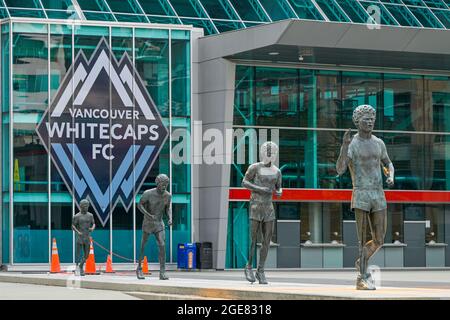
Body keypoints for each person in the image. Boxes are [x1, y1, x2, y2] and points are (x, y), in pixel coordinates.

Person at [336, 105, 394, 290]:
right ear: (357, 122)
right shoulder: (352, 144)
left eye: (372, 119)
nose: (369, 122)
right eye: (365, 119)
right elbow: (340, 169)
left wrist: (390, 175)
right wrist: (344, 147)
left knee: (379, 239)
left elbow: (388, 163)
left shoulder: (379, 143)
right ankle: (361, 277)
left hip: (378, 194)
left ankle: (361, 262)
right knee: (362, 239)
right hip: (361, 192)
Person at [242, 141, 282, 284]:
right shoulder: (254, 167)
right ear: (264, 153)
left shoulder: (277, 171)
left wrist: (279, 192)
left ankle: (261, 270)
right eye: (270, 152)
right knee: (253, 239)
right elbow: (244, 182)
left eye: (275, 153)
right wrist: (260, 189)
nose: (272, 156)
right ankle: (249, 266)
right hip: (255, 206)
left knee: (266, 240)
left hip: (268, 207)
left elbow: (279, 188)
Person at [136, 174, 172, 280]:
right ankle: (139, 268)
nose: (164, 186)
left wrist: (170, 218)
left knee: (162, 245)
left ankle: (162, 272)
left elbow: (167, 208)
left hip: (159, 223)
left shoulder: (168, 195)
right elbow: (139, 205)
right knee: (143, 245)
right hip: (148, 223)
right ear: (157, 183)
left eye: (166, 184)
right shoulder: (148, 193)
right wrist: (147, 214)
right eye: (162, 184)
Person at [72, 199, 95, 276]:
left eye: (87, 206)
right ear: (81, 206)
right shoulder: (77, 216)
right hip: (80, 237)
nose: (86, 207)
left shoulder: (90, 215)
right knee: (78, 253)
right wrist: (78, 232)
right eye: (84, 206)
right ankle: (78, 268)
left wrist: (92, 228)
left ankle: (81, 265)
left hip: (87, 236)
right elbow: (73, 225)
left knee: (87, 254)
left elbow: (94, 223)